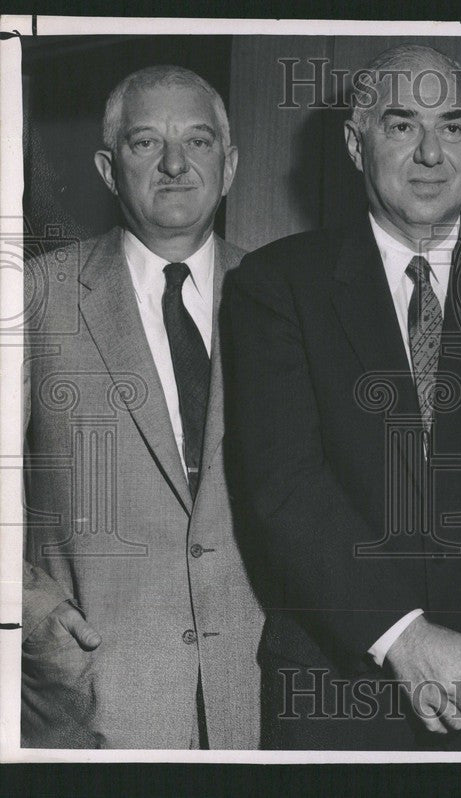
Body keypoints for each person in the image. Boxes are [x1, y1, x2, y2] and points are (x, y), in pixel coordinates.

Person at [222, 44, 461, 752]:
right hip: (343, 689)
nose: (431, 152)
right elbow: (285, 488)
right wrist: (403, 637)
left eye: (452, 126)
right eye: (402, 126)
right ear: (354, 141)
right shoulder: (276, 286)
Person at [21, 66, 263, 749]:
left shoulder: (283, 296)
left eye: (199, 141)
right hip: (93, 696)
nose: (177, 164)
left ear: (230, 163)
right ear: (106, 167)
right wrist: (29, 608)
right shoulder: (33, 297)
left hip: (254, 694)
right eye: (145, 143)